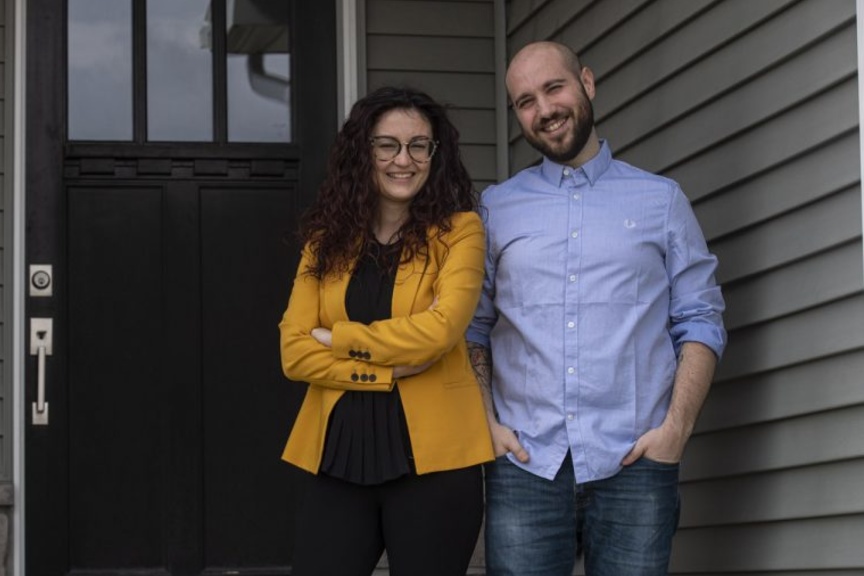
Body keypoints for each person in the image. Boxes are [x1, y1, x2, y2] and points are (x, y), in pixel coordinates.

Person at [466, 41, 727, 575]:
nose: (544, 110)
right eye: (525, 101)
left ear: (586, 82)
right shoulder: (496, 208)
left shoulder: (661, 201)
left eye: (554, 87)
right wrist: (486, 423)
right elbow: (474, 327)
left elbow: (700, 319)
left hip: (636, 462)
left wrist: (675, 430)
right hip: (525, 464)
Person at [278, 86, 495, 576]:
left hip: (435, 466)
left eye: (419, 145)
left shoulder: (460, 232)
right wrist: (384, 372)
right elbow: (293, 351)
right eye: (388, 145)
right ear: (364, 152)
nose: (405, 159)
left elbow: (440, 332)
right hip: (337, 455)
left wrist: (339, 338)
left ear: (435, 156)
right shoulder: (324, 243)